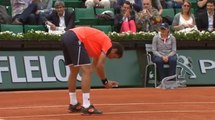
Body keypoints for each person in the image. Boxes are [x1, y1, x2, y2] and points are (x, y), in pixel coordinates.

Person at [61, 26, 124, 115]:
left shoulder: (99, 47)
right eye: (114, 56)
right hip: (76, 37)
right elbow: (100, 65)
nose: (111, 58)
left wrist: (92, 73)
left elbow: (94, 66)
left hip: (66, 37)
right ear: (114, 50)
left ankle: (73, 103)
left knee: (74, 71)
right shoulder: (108, 43)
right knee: (85, 71)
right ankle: (86, 106)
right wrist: (105, 82)